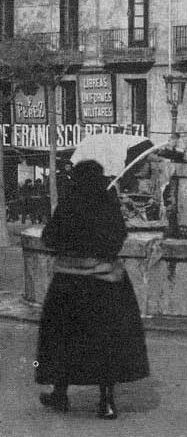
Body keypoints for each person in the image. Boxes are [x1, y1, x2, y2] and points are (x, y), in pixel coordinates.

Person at [35, 160, 149, 419]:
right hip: (106, 282)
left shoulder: (69, 202)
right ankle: (107, 402)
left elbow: (50, 238)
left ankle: (60, 394)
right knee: (105, 341)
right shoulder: (108, 202)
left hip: (69, 283)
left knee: (62, 339)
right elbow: (119, 237)